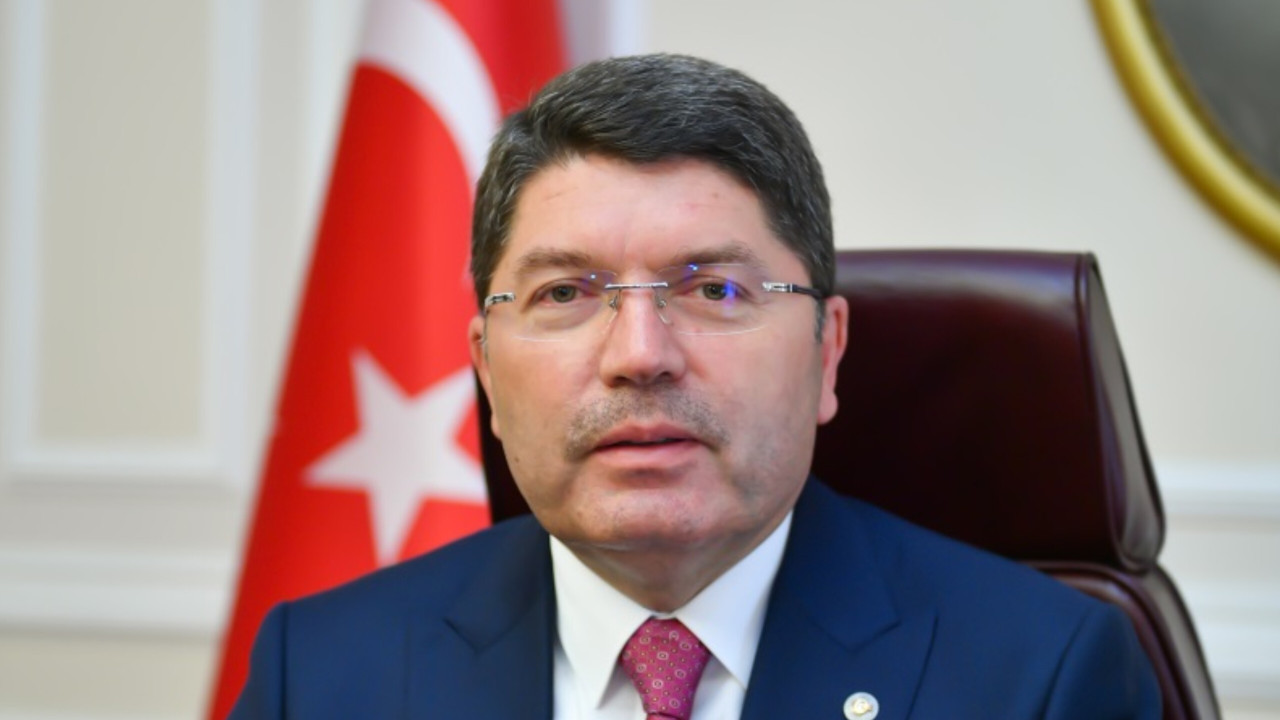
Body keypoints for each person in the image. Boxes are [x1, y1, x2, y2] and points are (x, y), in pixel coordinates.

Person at [230, 54, 1160, 719]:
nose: (640, 354)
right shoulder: (319, 675)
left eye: (713, 290)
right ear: (485, 369)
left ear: (828, 352)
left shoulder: (1042, 676)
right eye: (566, 293)